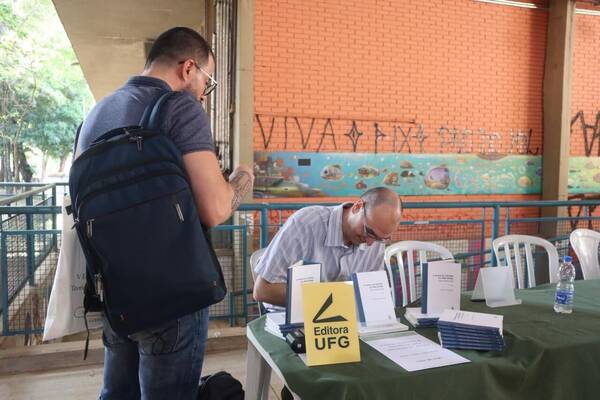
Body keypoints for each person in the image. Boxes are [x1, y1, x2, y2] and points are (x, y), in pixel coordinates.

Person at [76, 27, 254, 399]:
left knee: (117, 393)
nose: (204, 93)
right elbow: (215, 209)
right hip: (172, 296)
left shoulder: (97, 112)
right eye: (207, 80)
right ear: (188, 68)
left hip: (115, 291)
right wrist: (240, 179)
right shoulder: (180, 107)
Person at [253, 187, 402, 307]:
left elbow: (371, 294)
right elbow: (262, 291)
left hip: (344, 320)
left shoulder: (374, 240)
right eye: (368, 231)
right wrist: (335, 299)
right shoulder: (305, 224)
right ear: (357, 207)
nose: (369, 243)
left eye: (380, 238)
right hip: (288, 318)